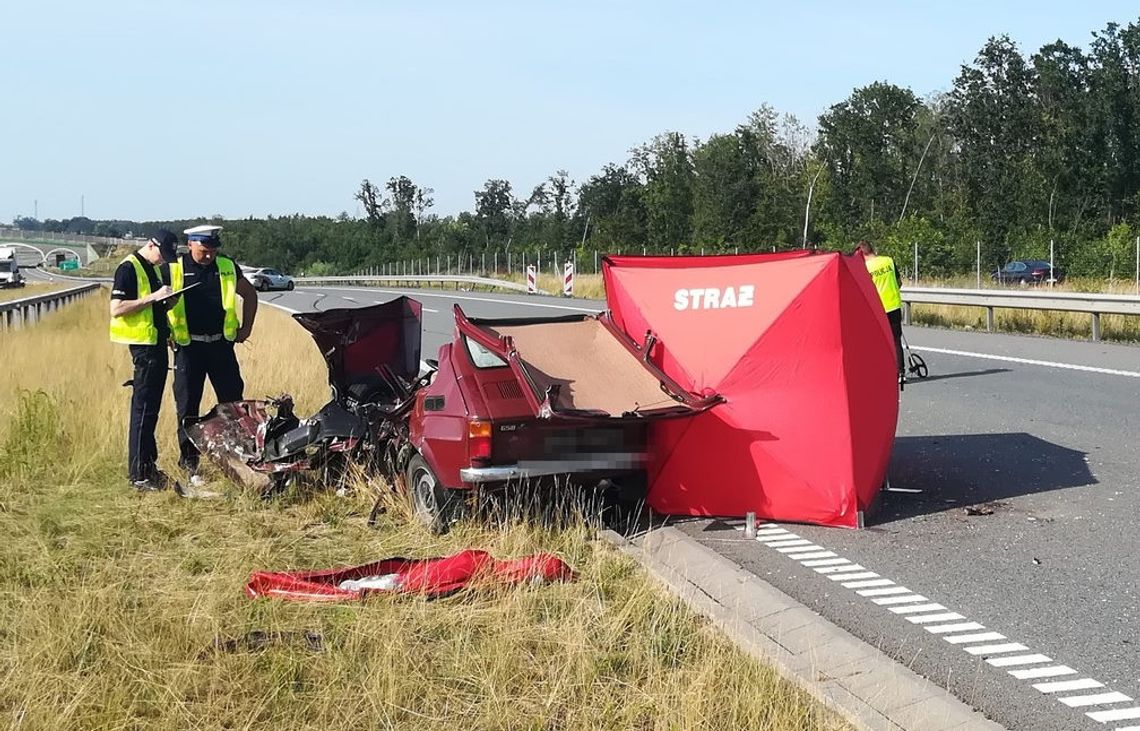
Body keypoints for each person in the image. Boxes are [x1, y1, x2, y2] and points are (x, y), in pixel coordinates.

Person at [167, 224, 258, 484]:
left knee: (232, 405)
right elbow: (158, 304)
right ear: (190, 245)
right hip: (188, 348)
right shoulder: (174, 268)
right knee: (187, 407)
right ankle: (190, 464)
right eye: (204, 250)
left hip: (220, 347)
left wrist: (247, 327)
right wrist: (165, 333)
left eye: (213, 250)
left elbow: (249, 294)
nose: (209, 255)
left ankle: (238, 460)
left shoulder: (226, 266)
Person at [109, 229, 179, 490]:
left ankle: (149, 467)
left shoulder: (151, 268)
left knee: (151, 411)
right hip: (143, 348)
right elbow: (117, 309)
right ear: (151, 244)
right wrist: (153, 297)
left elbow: (152, 309)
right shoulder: (128, 268)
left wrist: (167, 303)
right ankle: (139, 474)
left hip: (156, 343)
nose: (163, 260)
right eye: (162, 254)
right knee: (143, 411)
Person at [856, 240, 904, 381]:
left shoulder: (865, 268)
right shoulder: (888, 261)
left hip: (877, 310)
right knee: (896, 340)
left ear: (860, 254)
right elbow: (899, 282)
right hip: (894, 305)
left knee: (877, 342)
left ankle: (881, 372)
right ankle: (901, 373)